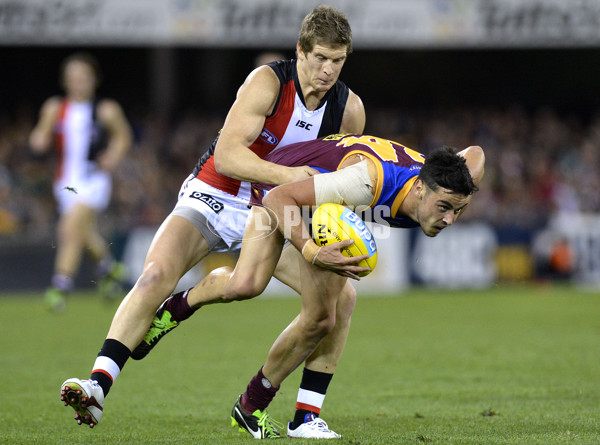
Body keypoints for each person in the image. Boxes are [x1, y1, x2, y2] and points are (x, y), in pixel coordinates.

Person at [59, 5, 365, 436]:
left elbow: (336, 179)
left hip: (271, 210)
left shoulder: (348, 110)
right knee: (154, 275)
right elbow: (228, 155)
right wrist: (289, 177)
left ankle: (306, 415)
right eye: (320, 58)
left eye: (338, 61)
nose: (328, 70)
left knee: (341, 298)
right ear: (301, 51)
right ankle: (97, 386)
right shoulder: (268, 82)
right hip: (217, 191)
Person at [130, 133, 485, 439]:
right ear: (420, 188)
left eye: (460, 210)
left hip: (324, 200)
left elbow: (477, 154)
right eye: (444, 208)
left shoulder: (449, 184)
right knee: (303, 309)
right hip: (283, 188)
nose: (450, 219)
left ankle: (302, 416)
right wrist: (312, 251)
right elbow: (278, 200)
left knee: (324, 301)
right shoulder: (366, 181)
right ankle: (250, 401)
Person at [29, 52, 132, 311]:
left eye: (84, 77)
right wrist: (39, 140)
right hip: (65, 181)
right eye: (73, 78)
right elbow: (39, 136)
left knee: (68, 229)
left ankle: (59, 287)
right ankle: (110, 269)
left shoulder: (105, 109)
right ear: (66, 82)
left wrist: (114, 155)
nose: (79, 83)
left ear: (94, 80)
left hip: (93, 179)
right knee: (83, 231)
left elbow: (123, 136)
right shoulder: (55, 108)